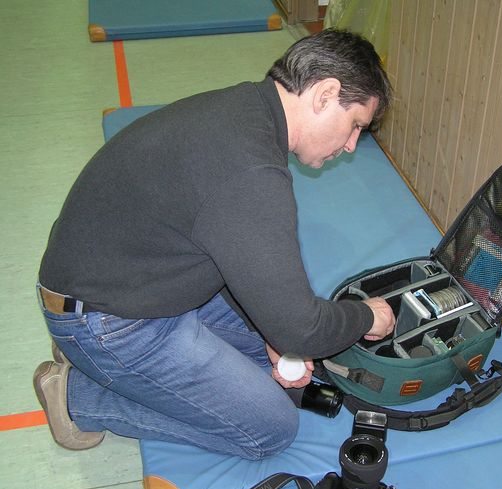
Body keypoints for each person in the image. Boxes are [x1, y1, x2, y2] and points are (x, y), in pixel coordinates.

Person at [34, 29, 395, 458]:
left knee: (275, 353)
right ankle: (76, 396)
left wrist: (276, 334)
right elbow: (302, 328)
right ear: (325, 94)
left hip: (123, 278)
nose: (352, 146)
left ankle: (96, 359)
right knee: (270, 428)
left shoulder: (244, 107)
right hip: (108, 320)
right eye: (355, 125)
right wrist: (365, 317)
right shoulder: (251, 175)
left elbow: (240, 264)